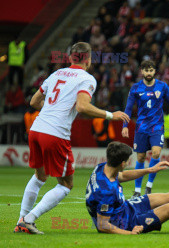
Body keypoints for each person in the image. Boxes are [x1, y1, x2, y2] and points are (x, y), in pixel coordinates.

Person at [14, 42, 130, 234]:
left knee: (39, 176)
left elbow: (34, 101)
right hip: (55, 133)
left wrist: (52, 110)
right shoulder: (87, 79)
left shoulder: (56, 74)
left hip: (36, 130)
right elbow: (82, 107)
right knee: (66, 184)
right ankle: (29, 219)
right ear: (89, 60)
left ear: (70, 58)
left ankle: (21, 219)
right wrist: (111, 115)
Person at [122, 60, 169, 198]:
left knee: (156, 153)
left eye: (151, 70)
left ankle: (149, 186)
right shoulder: (135, 88)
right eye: (146, 70)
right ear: (142, 71)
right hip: (141, 127)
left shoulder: (162, 86)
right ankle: (137, 190)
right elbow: (128, 108)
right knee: (140, 157)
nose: (149, 73)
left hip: (157, 127)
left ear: (155, 71)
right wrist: (125, 126)